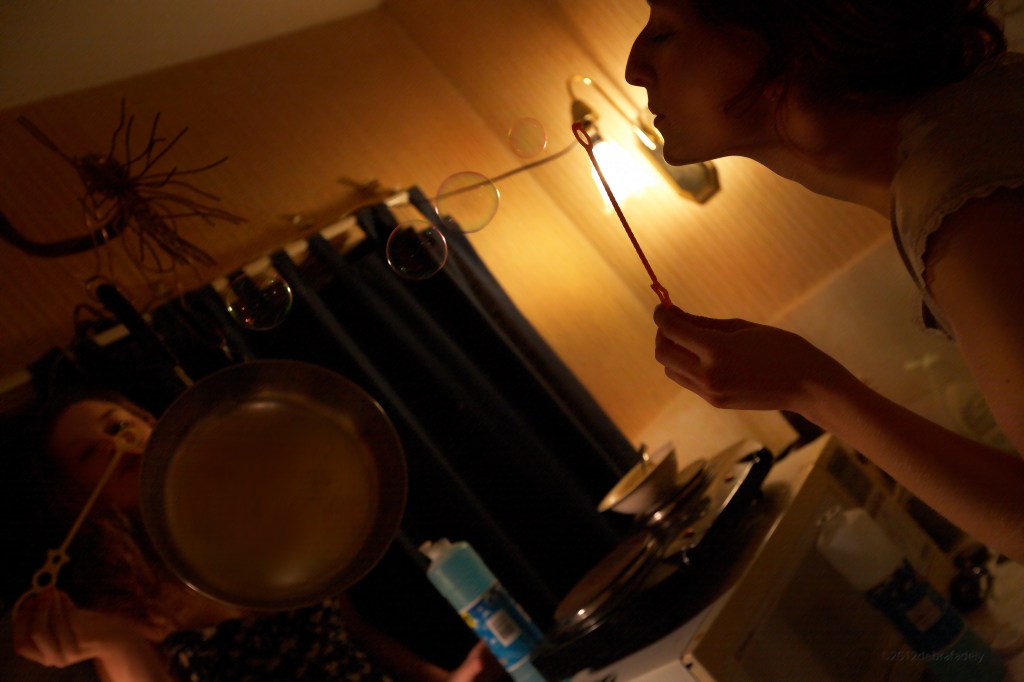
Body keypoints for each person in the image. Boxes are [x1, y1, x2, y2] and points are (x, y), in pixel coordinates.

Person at [625, 0, 1024, 562]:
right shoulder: (970, 123)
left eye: (664, 32)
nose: (633, 67)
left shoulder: (963, 201)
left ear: (787, 36)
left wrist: (812, 390)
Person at [1, 389, 502, 681]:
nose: (119, 442)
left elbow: (354, 638)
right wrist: (116, 642)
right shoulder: (116, 612)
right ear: (70, 502)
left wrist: (450, 680)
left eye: (118, 424)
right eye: (92, 453)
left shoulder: (254, 533)